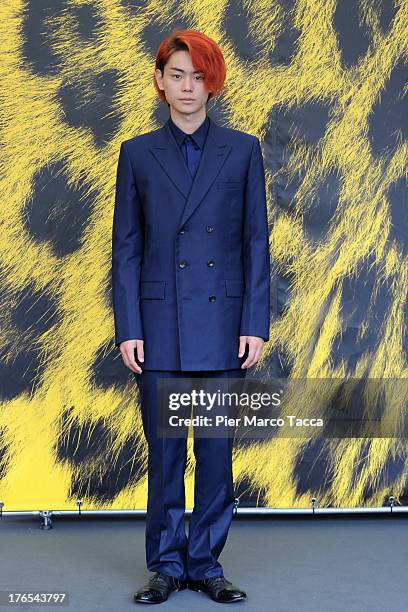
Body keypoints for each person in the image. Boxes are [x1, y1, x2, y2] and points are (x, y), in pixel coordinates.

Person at [111, 29, 270, 604]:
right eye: (176, 74)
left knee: (217, 455)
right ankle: (165, 565)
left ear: (213, 82)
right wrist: (129, 327)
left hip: (225, 326)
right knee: (166, 454)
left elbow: (256, 242)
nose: (187, 86)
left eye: (198, 76)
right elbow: (125, 248)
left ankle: (205, 564)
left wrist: (255, 322)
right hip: (159, 328)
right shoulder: (136, 153)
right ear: (159, 81)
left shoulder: (243, 149)